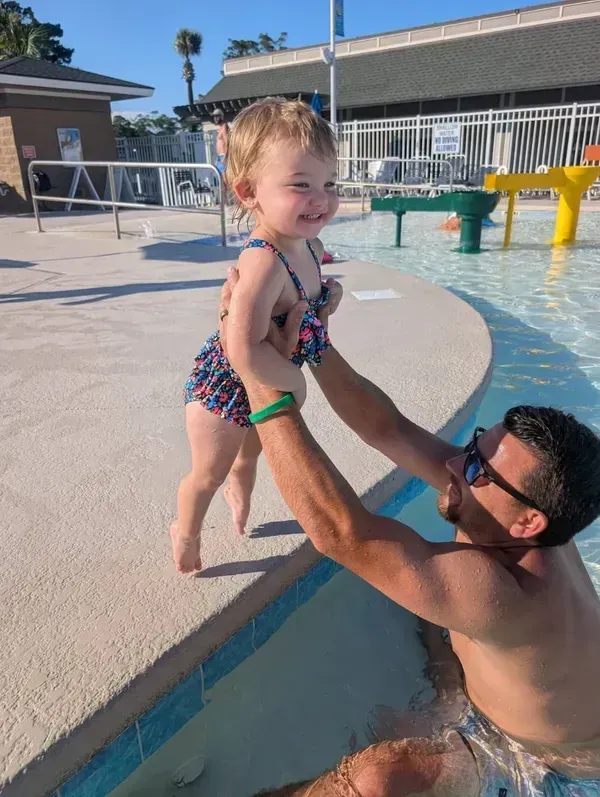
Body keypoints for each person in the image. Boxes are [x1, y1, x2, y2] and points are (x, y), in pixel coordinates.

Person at [219, 272, 600, 795]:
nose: (454, 465)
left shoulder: (500, 590)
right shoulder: (527, 518)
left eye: (476, 471)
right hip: (515, 684)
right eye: (472, 449)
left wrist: (256, 375)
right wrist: (308, 335)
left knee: (378, 780)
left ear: (528, 522)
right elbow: (388, 429)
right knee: (425, 613)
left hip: (544, 754)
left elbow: (340, 533)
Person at [170, 98, 343, 574]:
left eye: (329, 183)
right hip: (225, 388)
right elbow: (242, 350)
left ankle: (241, 485)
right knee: (208, 473)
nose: (321, 198)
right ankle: (185, 531)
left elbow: (309, 297)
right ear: (248, 192)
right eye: (300, 185)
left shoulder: (311, 245)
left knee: (251, 455)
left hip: (268, 377)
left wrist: (331, 298)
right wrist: (297, 382)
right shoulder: (264, 261)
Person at [212, 108, 230, 180]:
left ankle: (229, 191)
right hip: (220, 156)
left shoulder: (224, 126)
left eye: (217, 116)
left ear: (221, 117)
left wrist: (225, 157)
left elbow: (227, 142)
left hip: (223, 156)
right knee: (221, 179)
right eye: (214, 117)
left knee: (226, 179)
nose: (215, 119)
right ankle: (225, 191)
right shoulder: (220, 129)